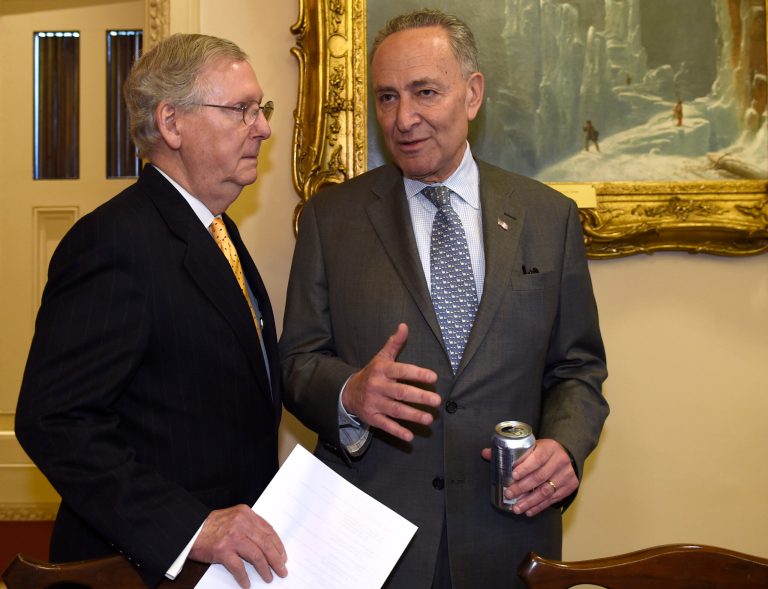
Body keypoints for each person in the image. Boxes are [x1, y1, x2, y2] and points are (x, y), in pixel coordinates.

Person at [280, 9, 608, 589]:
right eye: (386, 98)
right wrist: (350, 393)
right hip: (372, 538)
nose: (404, 119)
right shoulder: (331, 220)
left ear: (472, 93)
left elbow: (578, 369)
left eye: (425, 92)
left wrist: (565, 445)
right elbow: (297, 362)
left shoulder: (547, 216)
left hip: (509, 536)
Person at [15, 34, 287, 589]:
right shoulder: (113, 242)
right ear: (171, 123)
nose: (261, 127)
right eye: (241, 109)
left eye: (262, 110)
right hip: (142, 570)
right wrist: (192, 528)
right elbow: (55, 424)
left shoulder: (217, 230)